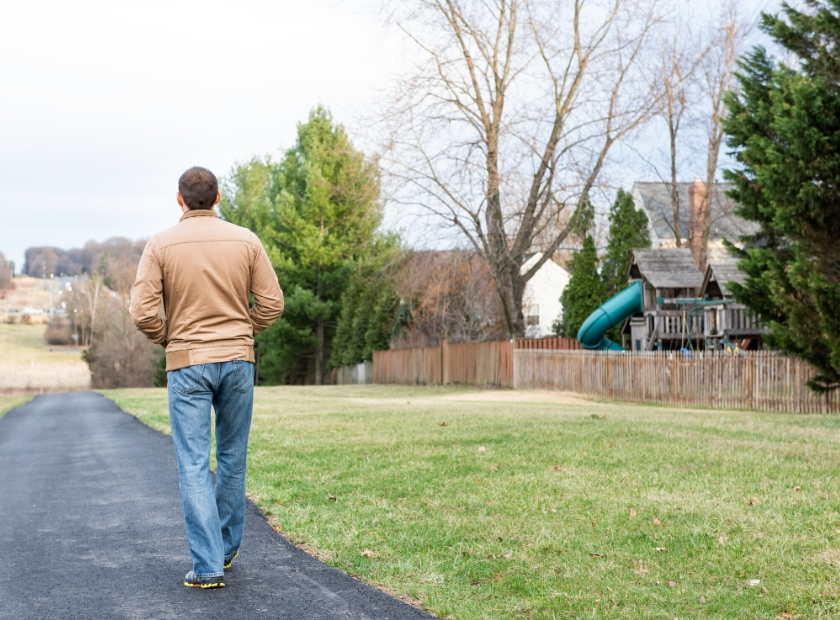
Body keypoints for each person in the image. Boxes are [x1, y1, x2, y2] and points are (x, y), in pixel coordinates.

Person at [130, 166, 284, 588]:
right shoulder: (247, 240)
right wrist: (242, 332)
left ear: (179, 200)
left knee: (194, 464)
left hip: (188, 362)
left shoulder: (160, 244)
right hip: (238, 360)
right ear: (218, 198)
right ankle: (226, 548)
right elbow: (272, 303)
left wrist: (172, 339)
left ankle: (208, 565)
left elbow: (142, 312)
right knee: (233, 457)